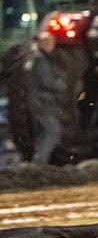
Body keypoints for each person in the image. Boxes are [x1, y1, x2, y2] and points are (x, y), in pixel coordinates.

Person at [25, 31, 65, 164]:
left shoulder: (31, 58)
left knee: (41, 134)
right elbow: (47, 82)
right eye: (51, 43)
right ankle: (40, 162)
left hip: (34, 102)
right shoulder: (41, 60)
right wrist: (62, 85)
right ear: (45, 43)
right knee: (53, 131)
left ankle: (37, 163)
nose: (53, 46)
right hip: (43, 103)